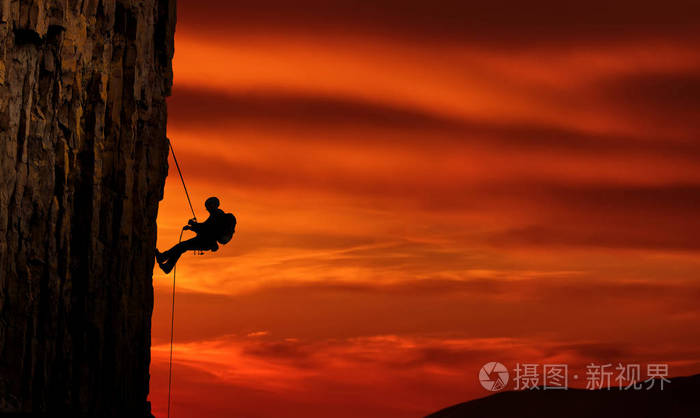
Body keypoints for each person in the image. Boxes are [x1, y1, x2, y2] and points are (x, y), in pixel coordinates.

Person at [155, 196, 234, 274]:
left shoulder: (217, 215)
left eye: (208, 206)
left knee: (181, 246)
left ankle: (164, 259)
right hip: (206, 241)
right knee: (181, 247)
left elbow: (206, 228)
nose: (207, 209)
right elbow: (205, 228)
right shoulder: (216, 215)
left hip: (206, 242)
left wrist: (193, 225)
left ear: (213, 205)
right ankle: (167, 265)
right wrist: (192, 227)